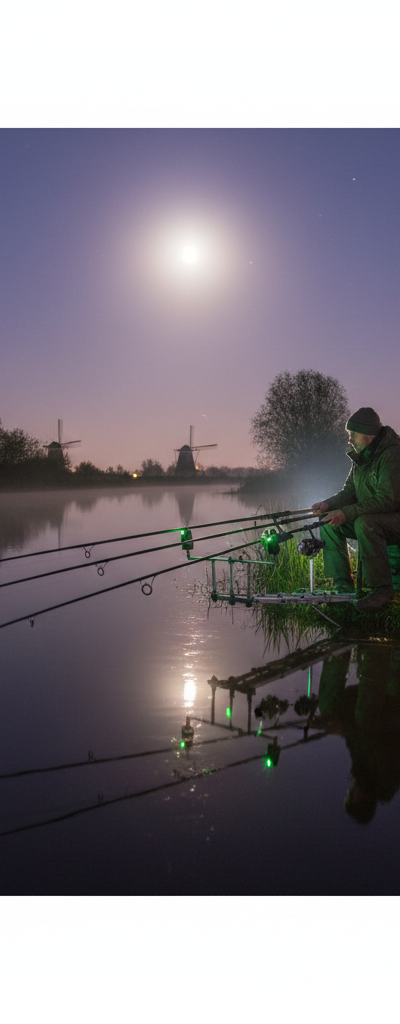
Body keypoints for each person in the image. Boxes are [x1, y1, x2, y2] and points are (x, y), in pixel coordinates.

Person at [311, 407, 400, 611]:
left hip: (394, 519)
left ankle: (383, 590)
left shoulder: (392, 455)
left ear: (368, 435)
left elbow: (387, 500)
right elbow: (349, 492)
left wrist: (346, 513)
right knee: (327, 521)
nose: (349, 440)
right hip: (373, 518)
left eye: (353, 435)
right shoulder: (361, 457)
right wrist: (328, 504)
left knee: (365, 523)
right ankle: (342, 585)